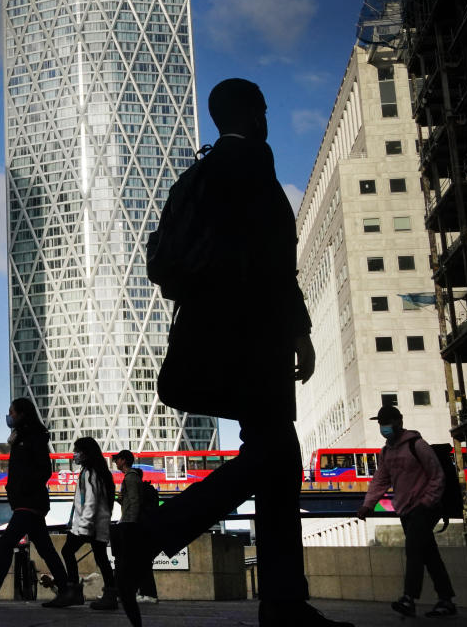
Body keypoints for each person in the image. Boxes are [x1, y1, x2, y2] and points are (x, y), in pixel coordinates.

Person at [145, 79, 353, 627]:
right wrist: (299, 331)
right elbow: (275, 264)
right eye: (263, 107)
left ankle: (284, 603)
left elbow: (172, 262)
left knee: (276, 454)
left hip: (209, 339)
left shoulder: (197, 175)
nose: (266, 116)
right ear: (252, 113)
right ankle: (153, 535)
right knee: (277, 455)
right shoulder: (253, 168)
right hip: (252, 341)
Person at [0, 398, 73, 607]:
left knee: (7, 542)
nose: (9, 416)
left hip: (30, 501)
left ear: (22, 413)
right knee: (45, 548)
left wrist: (23, 487)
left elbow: (44, 470)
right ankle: (67, 590)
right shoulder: (20, 437)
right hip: (25, 501)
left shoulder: (34, 436)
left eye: (12, 412)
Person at [357, 406, 457, 618]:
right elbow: (380, 480)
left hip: (424, 508)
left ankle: (408, 598)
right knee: (429, 554)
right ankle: (446, 600)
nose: (383, 427)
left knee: (413, 549)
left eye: (387, 422)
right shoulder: (386, 452)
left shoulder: (417, 445)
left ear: (399, 421)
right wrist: (368, 504)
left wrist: (426, 502)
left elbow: (437, 475)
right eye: (381, 423)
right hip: (405, 510)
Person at [59, 437, 116, 608]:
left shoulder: (90, 473)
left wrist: (82, 526)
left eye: (77, 451)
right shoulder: (99, 472)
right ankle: (111, 596)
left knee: (67, 551)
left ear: (86, 453)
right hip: (99, 525)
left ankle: (74, 592)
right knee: (101, 558)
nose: (74, 454)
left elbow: (91, 501)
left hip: (89, 525)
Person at [109, 450, 156, 626]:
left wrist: (131, 522)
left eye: (117, 460)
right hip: (128, 521)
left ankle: (127, 592)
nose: (115, 463)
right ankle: (126, 591)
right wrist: (122, 501)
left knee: (128, 560)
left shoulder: (130, 477)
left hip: (130, 523)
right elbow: (131, 500)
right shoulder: (130, 478)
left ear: (123, 460)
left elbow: (135, 501)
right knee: (128, 560)